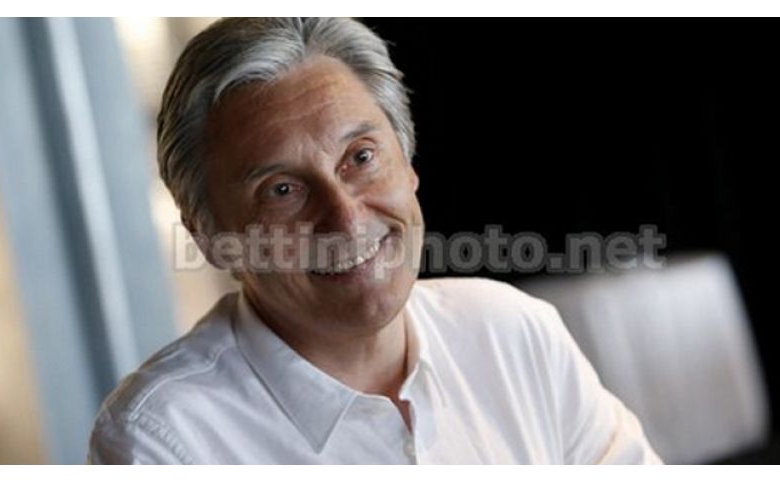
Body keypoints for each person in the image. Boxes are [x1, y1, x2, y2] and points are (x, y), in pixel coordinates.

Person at [88, 17, 662, 464]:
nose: (344, 218)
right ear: (211, 238)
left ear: (408, 164)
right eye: (282, 190)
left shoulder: (512, 331)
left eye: (360, 158)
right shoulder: (164, 439)